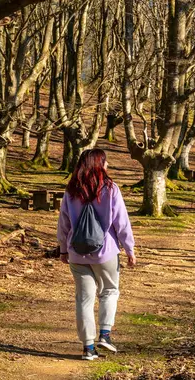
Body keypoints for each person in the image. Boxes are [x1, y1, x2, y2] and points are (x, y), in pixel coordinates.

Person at [57, 149, 136, 360]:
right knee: (109, 290)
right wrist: (129, 249)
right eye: (106, 162)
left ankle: (88, 348)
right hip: (105, 252)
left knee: (84, 299)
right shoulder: (110, 189)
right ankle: (105, 334)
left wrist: (63, 248)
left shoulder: (71, 190)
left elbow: (63, 222)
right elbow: (122, 222)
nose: (108, 164)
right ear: (100, 164)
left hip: (76, 253)